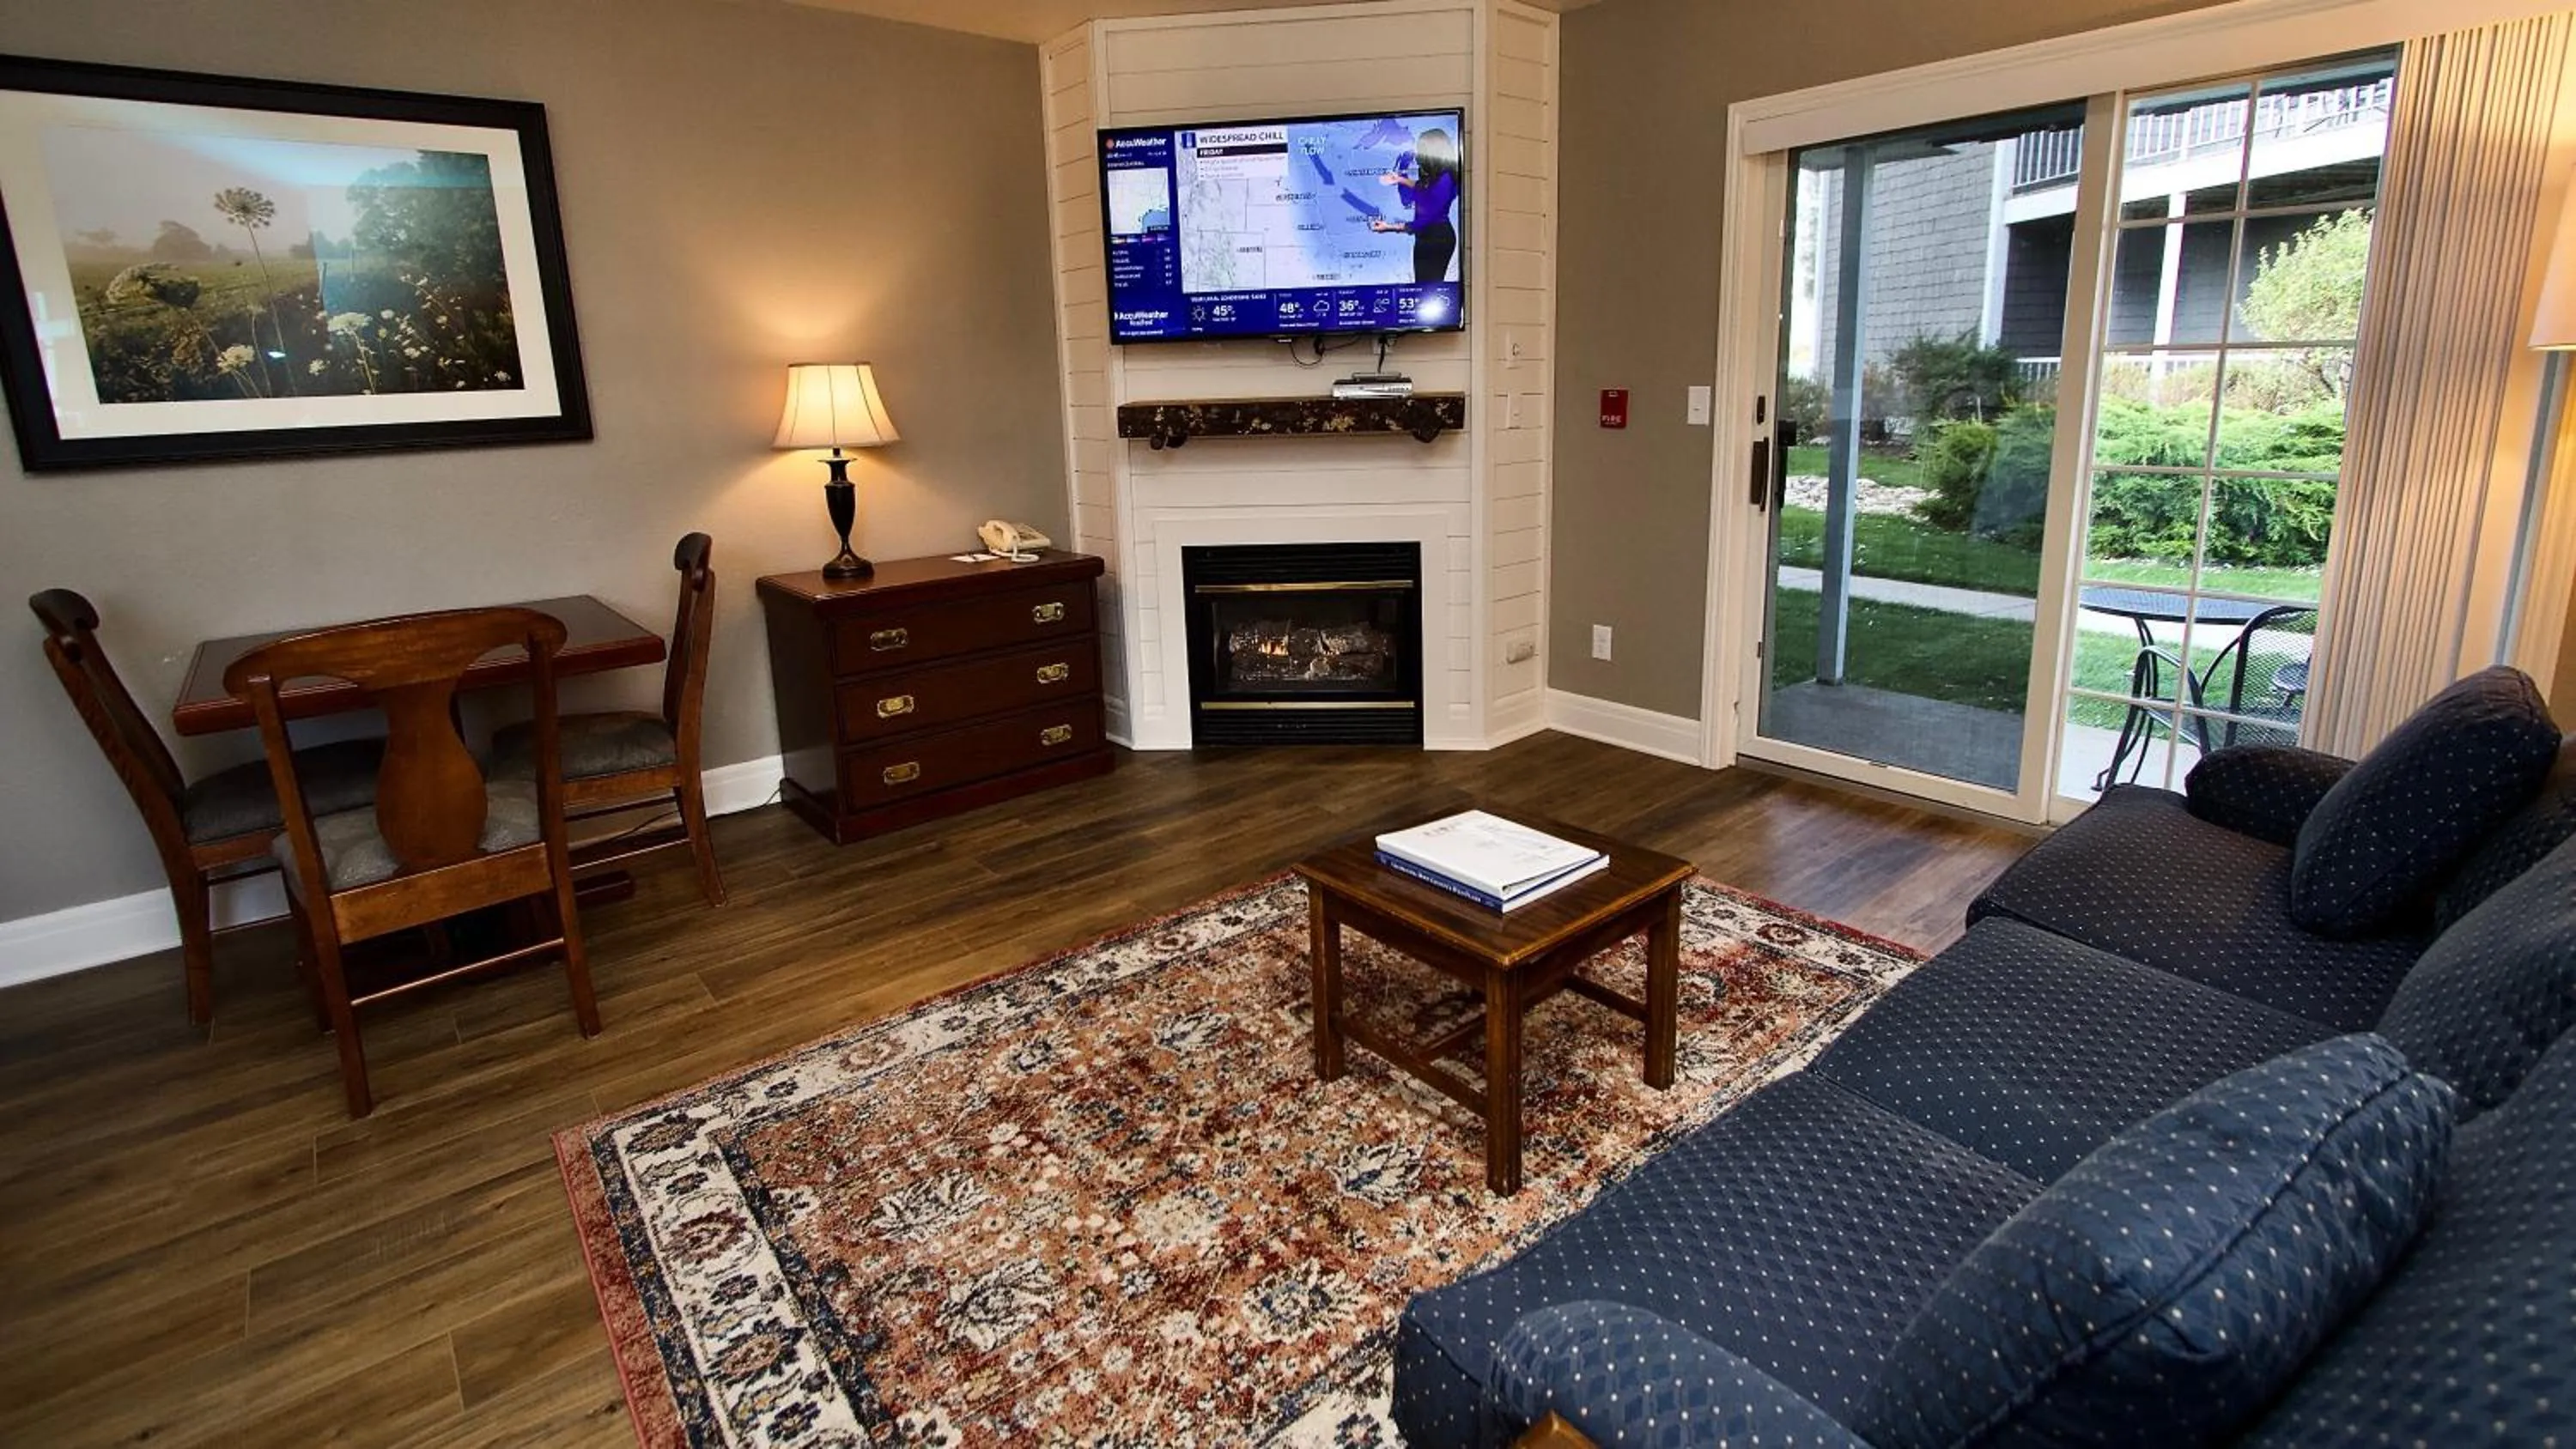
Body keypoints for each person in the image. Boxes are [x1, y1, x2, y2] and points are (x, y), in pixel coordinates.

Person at [1370, 128, 1460, 283]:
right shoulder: (1436, 175)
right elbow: (1425, 189)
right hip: (1427, 236)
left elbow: (1423, 221)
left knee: (1428, 287)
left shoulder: (1446, 179)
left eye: (1421, 151)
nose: (1417, 157)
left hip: (1437, 239)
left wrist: (1389, 227)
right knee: (1423, 286)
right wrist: (1400, 179)